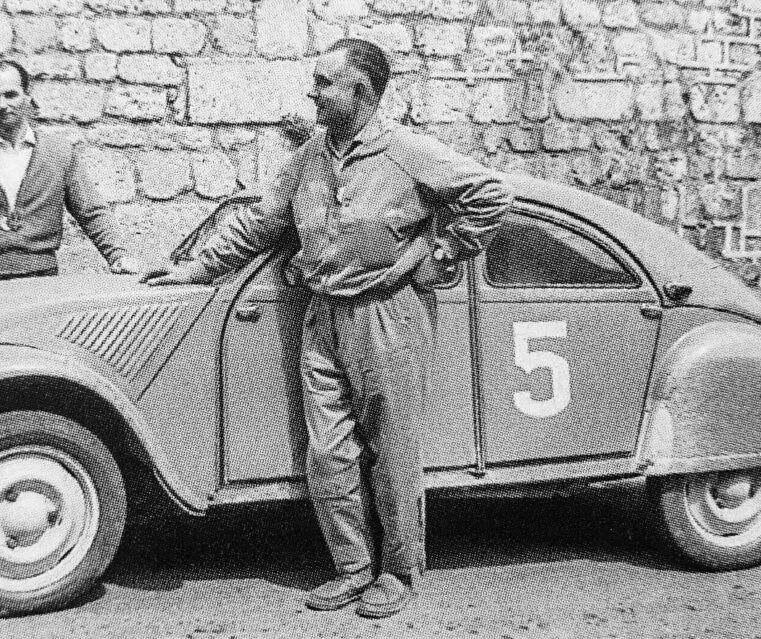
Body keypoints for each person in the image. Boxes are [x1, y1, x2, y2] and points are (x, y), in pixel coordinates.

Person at [142, 39, 514, 618]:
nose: (312, 94)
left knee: (393, 449)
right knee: (329, 452)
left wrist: (441, 254)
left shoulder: (408, 152)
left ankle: (398, 573)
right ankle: (352, 567)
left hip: (389, 315)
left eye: (323, 84)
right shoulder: (311, 157)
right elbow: (259, 224)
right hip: (322, 316)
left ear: (360, 91)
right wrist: (194, 270)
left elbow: (491, 195)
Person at [0, 60, 137, 290]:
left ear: (27, 95)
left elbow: (91, 212)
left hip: (39, 280)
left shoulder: (59, 153)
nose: (2, 105)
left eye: (11, 95)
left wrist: (118, 256)